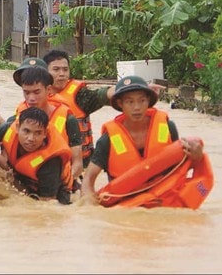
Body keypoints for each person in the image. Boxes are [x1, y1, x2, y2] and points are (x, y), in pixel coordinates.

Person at [81, 75, 206, 204]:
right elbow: (88, 179)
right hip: (127, 206)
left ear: (148, 101)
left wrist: (197, 157)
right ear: (120, 104)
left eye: (142, 101)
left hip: (164, 201)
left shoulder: (168, 127)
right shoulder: (107, 140)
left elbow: (181, 166)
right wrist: (88, 203)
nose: (137, 107)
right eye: (130, 102)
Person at [42, 49, 163, 169]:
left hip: (80, 163)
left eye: (65, 69)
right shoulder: (36, 95)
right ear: (45, 71)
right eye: (56, 69)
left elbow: (103, 94)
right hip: (49, 161)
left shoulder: (80, 95)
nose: (62, 74)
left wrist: (137, 89)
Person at [0, 106, 74, 204]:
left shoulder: (50, 162)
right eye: (26, 131)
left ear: (45, 133)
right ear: (18, 128)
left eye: (38, 133)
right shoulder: (8, 128)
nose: (31, 139)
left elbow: (47, 205)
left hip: (56, 196)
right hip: (25, 181)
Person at [10, 60, 84, 181]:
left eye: (36, 91)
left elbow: (78, 164)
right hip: (24, 177)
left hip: (56, 181)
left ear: (48, 89)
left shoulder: (68, 119)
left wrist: (62, 183)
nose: (31, 98)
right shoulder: (17, 116)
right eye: (26, 92)